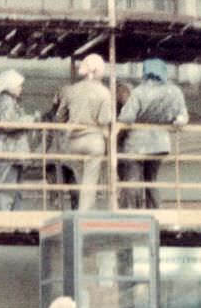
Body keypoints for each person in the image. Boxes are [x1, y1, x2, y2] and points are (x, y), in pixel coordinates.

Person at [118, 58, 189, 209]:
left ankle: (129, 213)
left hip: (136, 143)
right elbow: (182, 119)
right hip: (161, 142)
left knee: (132, 179)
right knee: (151, 180)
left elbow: (127, 118)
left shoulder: (139, 92)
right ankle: (156, 211)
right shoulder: (175, 91)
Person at [56, 53, 111, 211]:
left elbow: (60, 116)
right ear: (97, 70)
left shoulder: (71, 91)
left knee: (81, 180)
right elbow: (104, 120)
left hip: (73, 141)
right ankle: (85, 214)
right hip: (93, 140)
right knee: (90, 181)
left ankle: (82, 211)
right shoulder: (104, 92)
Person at [0, 69, 38, 211]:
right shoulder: (5, 102)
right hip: (9, 153)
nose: (21, 89)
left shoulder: (12, 102)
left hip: (15, 153)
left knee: (15, 192)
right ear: (10, 86)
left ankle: (15, 225)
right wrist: (30, 119)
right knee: (7, 192)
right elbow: (9, 124)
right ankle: (5, 225)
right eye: (18, 85)